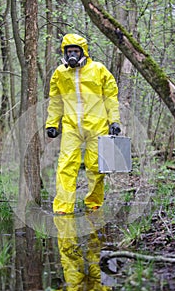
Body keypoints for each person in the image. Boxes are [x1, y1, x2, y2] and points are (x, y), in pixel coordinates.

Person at [45, 33, 121, 214]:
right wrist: (52, 124)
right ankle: (64, 207)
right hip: (71, 126)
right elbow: (55, 101)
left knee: (95, 166)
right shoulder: (60, 73)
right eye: (69, 51)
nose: (72, 55)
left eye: (75, 51)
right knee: (66, 165)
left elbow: (110, 96)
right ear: (64, 52)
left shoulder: (99, 70)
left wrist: (114, 121)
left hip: (97, 125)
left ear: (83, 52)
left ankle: (93, 203)